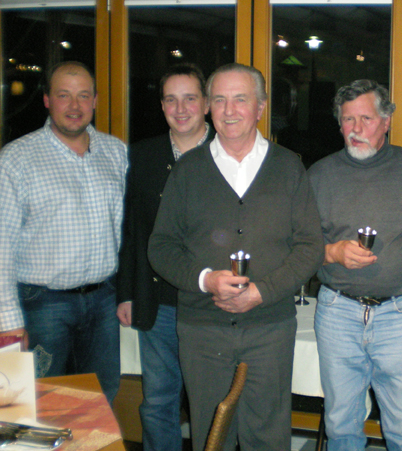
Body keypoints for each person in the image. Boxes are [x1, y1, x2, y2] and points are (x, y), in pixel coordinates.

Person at [148, 63, 324, 451]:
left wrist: (262, 292)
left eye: (240, 99)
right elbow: (160, 247)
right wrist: (205, 279)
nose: (229, 110)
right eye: (220, 100)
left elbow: (310, 246)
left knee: (268, 438)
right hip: (202, 329)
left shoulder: (289, 167)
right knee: (212, 437)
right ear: (208, 107)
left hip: (270, 328)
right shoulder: (187, 170)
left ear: (260, 107)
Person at [308, 80, 402, 451]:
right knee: (341, 424)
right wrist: (332, 253)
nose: (356, 129)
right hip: (337, 312)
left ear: (387, 120)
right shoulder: (319, 175)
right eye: (348, 120)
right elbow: (297, 247)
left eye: (366, 118)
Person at [0, 61, 127, 403]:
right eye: (63, 95)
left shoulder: (116, 152)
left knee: (100, 399)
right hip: (42, 305)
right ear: (47, 100)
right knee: (37, 404)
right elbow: (1, 246)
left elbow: (125, 231)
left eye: (83, 95)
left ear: (95, 100)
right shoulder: (15, 159)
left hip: (104, 301)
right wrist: (8, 321)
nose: (74, 105)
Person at [117, 64, 212, 451]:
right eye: (171, 100)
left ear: (206, 104)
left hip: (212, 303)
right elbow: (131, 229)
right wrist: (127, 292)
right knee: (158, 403)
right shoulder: (142, 155)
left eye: (190, 98)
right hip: (158, 302)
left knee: (210, 403)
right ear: (161, 106)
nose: (181, 108)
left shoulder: (228, 152)